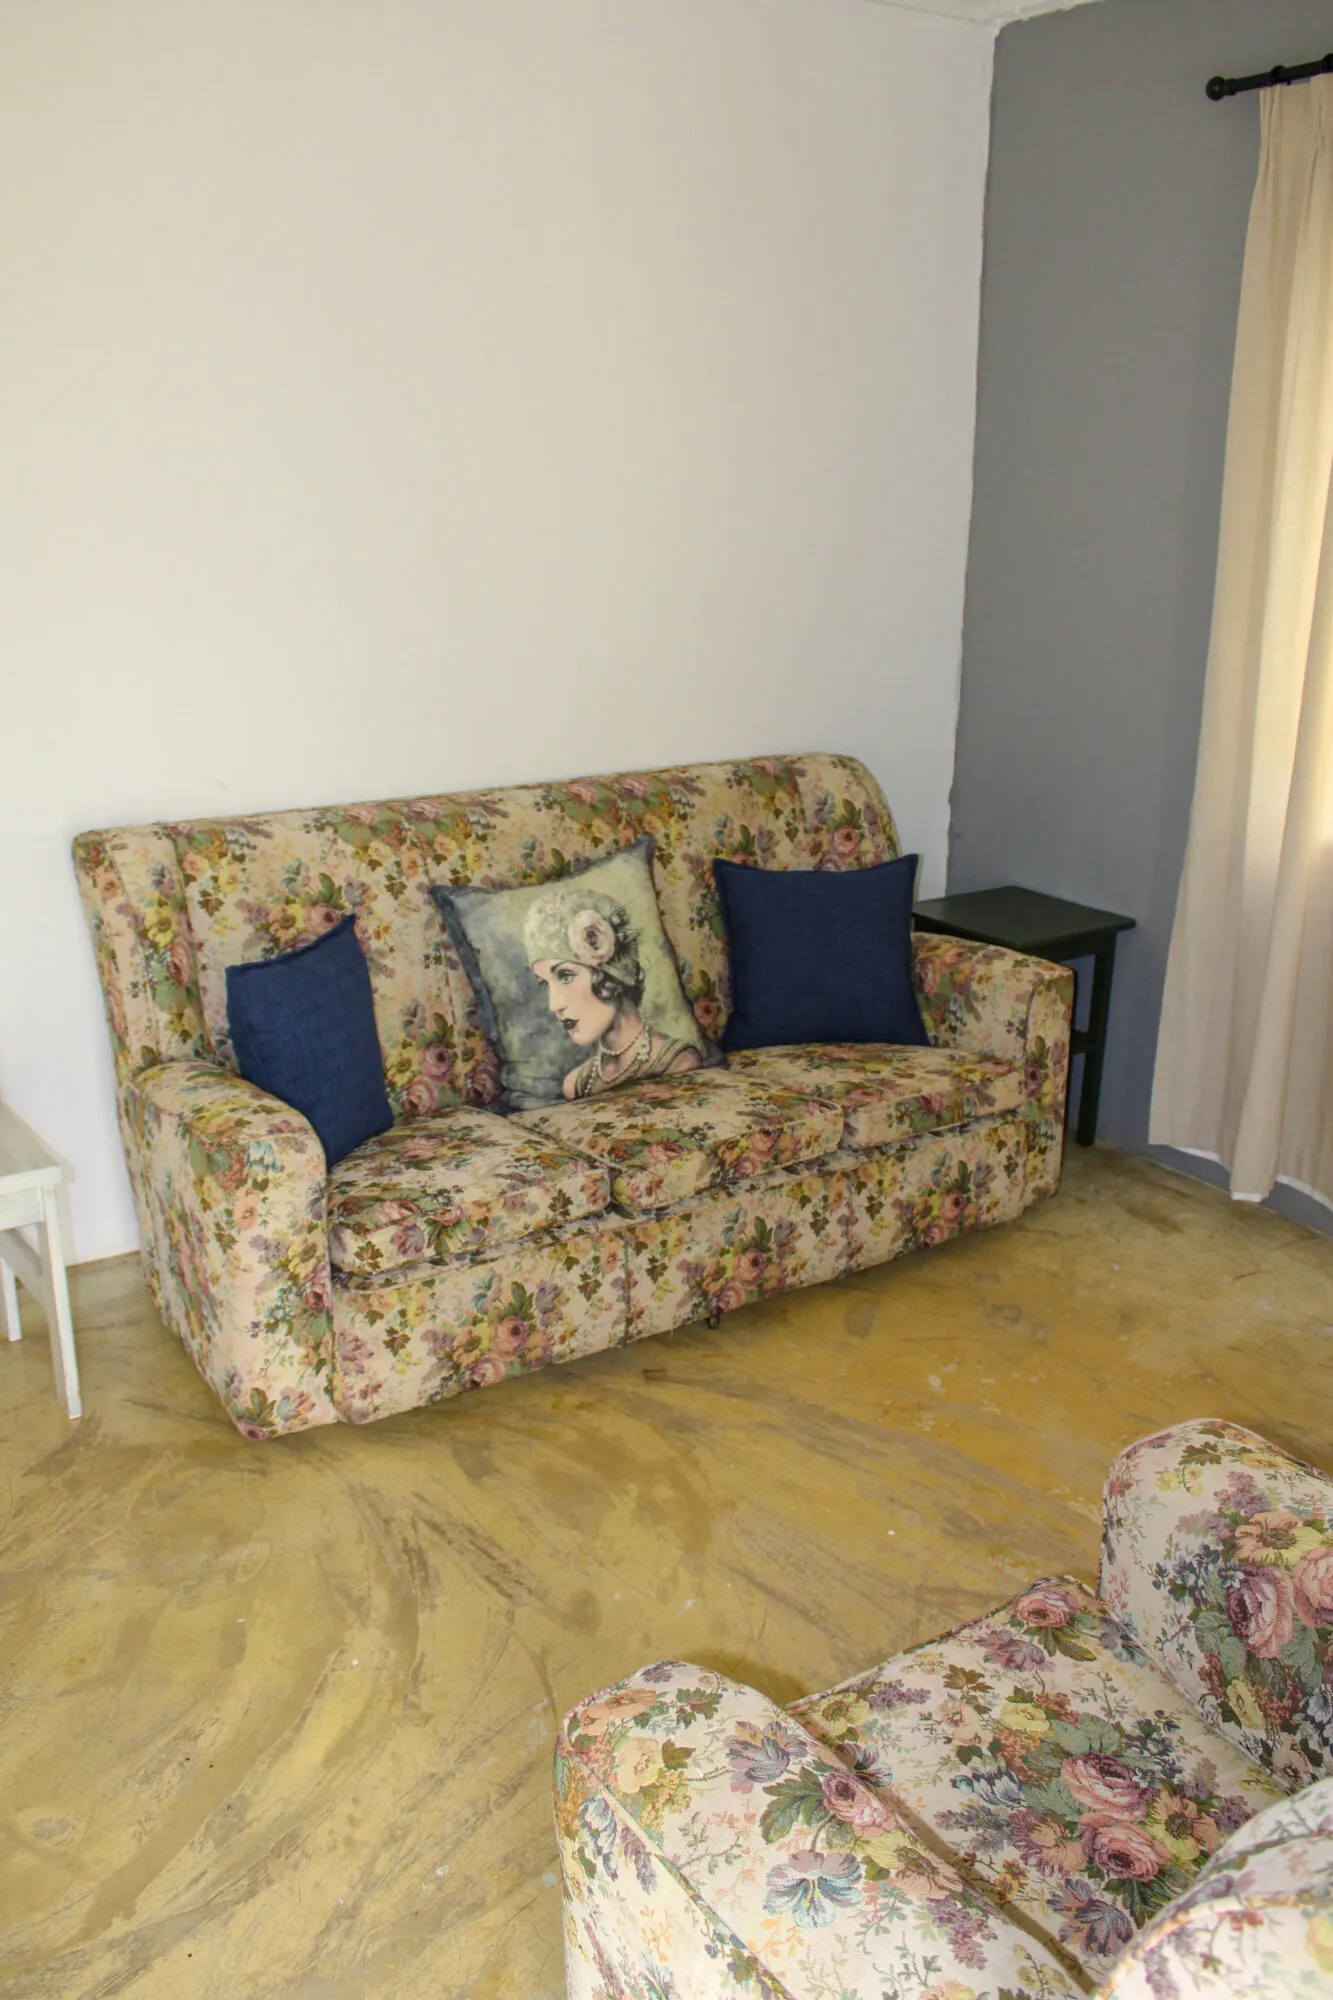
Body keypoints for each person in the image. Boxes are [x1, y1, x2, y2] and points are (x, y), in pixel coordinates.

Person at [523, 885, 701, 1099]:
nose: (554, 1005)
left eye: (565, 976)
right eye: (545, 983)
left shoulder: (679, 1060)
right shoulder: (576, 1084)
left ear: (609, 972)